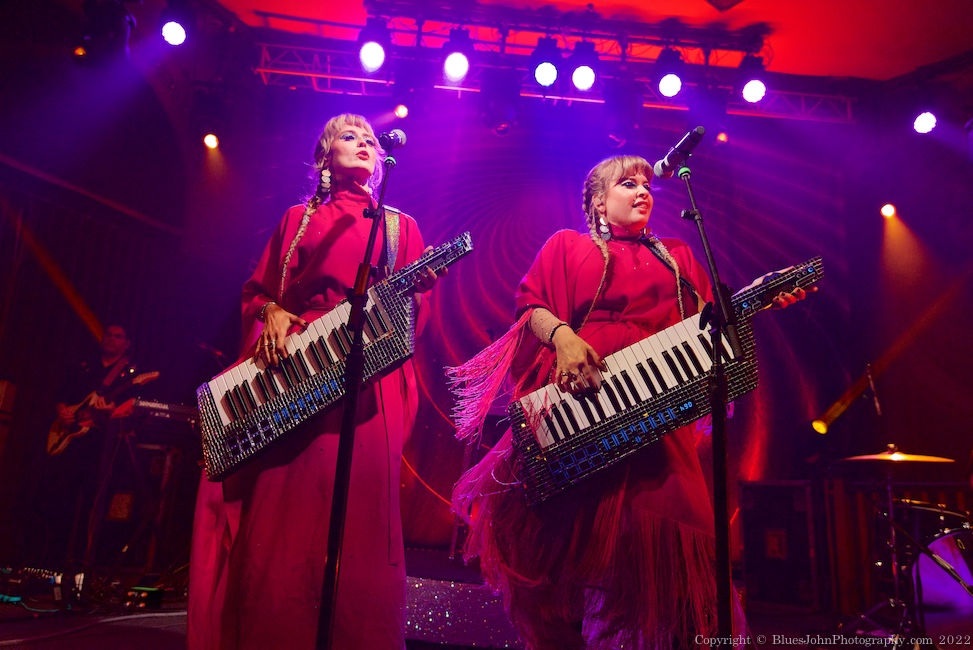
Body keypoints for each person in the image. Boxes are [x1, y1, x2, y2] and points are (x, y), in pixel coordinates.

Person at [449, 154, 806, 649]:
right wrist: (563, 338)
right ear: (598, 201)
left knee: (677, 557)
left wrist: (756, 299)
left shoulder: (677, 254)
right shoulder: (568, 246)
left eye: (646, 184)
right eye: (627, 183)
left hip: (651, 417)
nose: (643, 190)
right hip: (582, 409)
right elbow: (529, 306)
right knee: (570, 565)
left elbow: (708, 325)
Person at [188, 113, 441, 649]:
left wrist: (413, 294)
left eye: (371, 139)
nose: (366, 143)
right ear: (324, 157)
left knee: (358, 516)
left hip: (366, 385)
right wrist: (272, 313)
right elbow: (257, 294)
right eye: (351, 136)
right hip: (296, 378)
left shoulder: (401, 227)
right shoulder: (296, 219)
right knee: (286, 515)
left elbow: (415, 317)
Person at [39, 323, 138, 570]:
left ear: (126, 344)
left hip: (99, 448)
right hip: (71, 445)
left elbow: (129, 412)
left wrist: (111, 411)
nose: (111, 339)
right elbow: (61, 394)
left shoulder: (129, 375)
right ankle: (51, 563)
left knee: (92, 508)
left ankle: (83, 567)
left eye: (118, 336)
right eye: (108, 334)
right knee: (61, 503)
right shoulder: (84, 365)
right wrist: (62, 410)